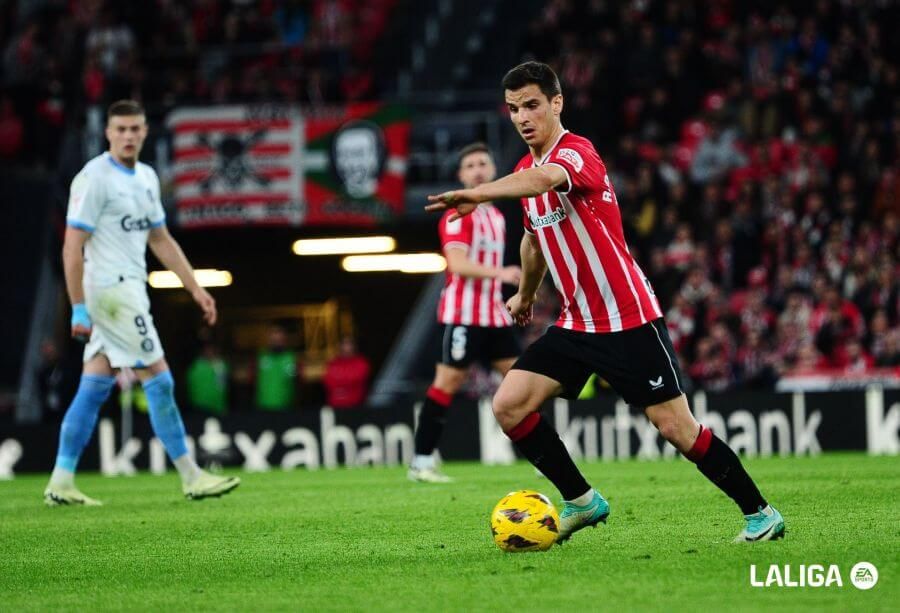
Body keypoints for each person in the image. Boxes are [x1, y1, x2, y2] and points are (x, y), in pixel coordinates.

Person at [426, 62, 783, 543]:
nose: (522, 117)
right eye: (513, 109)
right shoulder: (520, 171)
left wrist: (477, 193)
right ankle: (582, 501)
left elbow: (543, 182)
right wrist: (526, 293)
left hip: (628, 318)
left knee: (677, 428)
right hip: (577, 324)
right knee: (508, 404)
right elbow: (533, 240)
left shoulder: (578, 153)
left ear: (556, 103)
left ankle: (760, 513)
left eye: (532, 105)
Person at [44, 99, 240, 506]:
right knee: (160, 378)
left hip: (131, 289)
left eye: (135, 129)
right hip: (112, 293)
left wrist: (195, 287)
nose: (129, 136)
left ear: (146, 131)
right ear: (108, 133)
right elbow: (71, 247)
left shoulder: (147, 178)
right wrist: (78, 306)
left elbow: (161, 240)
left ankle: (61, 480)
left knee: (95, 384)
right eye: (121, 129)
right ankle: (191, 475)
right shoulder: (94, 178)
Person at [410, 142, 523, 483]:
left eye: (482, 163)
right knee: (447, 382)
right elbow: (456, 263)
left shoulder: (497, 216)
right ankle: (421, 462)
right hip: (464, 313)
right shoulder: (460, 212)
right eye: (469, 165)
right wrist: (502, 273)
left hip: (495, 314)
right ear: (461, 175)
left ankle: (541, 455)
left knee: (523, 381)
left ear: (492, 171)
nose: (477, 169)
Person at [256, 325, 301, 411]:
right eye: (273, 340)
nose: (276, 342)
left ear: (284, 340)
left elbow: (298, 382)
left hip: (287, 406)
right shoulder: (261, 357)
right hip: (263, 406)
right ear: (269, 340)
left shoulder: (291, 358)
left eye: (279, 340)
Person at [322, 336, 371, 409]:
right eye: (344, 344)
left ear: (354, 346)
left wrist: (340, 380)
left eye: (348, 344)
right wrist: (345, 380)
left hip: (356, 406)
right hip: (335, 406)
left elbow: (356, 380)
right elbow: (328, 382)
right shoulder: (333, 363)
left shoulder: (361, 363)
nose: (346, 347)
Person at [186, 341, 229, 415]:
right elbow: (190, 384)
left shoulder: (220, 366)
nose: (209, 352)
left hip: (215, 405)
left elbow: (222, 386)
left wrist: (222, 406)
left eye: (211, 350)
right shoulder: (196, 366)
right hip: (199, 404)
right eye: (207, 350)